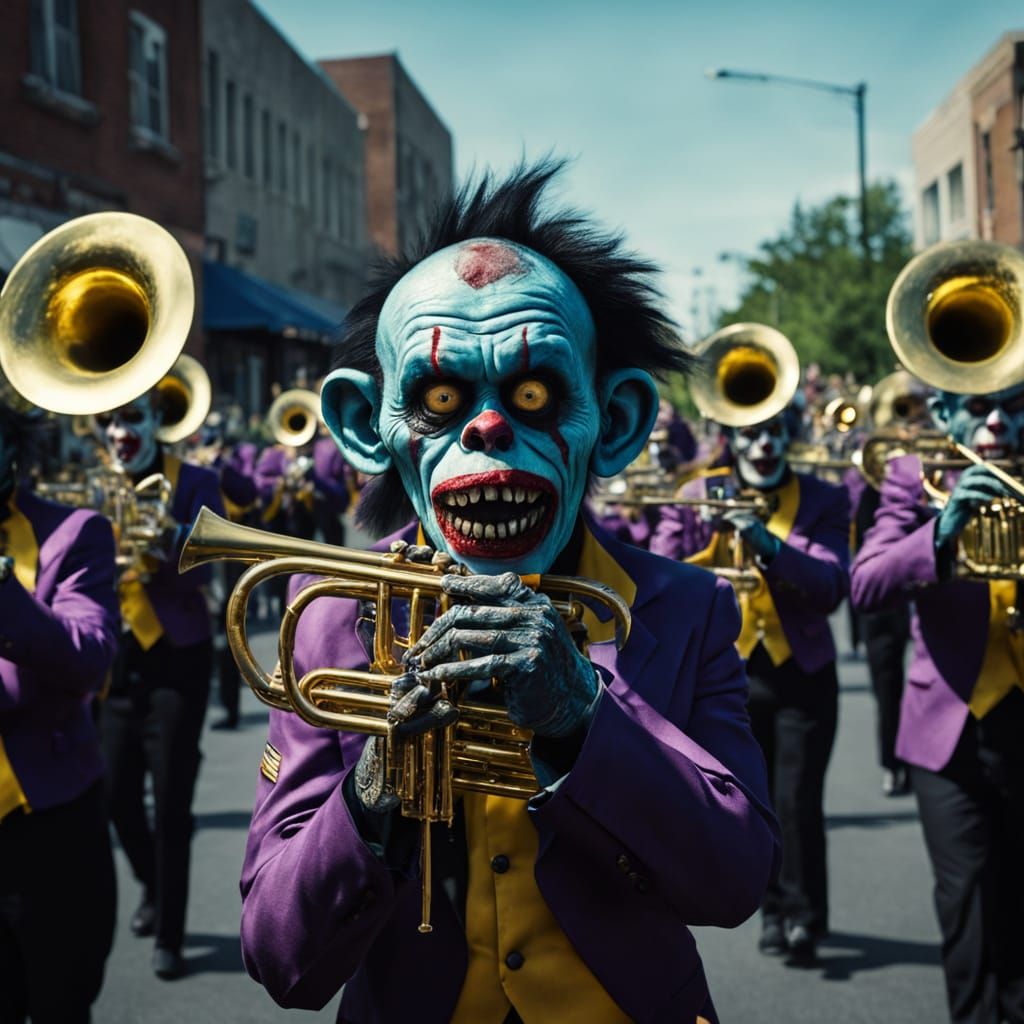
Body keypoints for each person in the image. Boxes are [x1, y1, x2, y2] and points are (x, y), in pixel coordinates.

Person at [237, 162, 779, 1023]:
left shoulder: (688, 607)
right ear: (366, 429)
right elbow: (280, 958)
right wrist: (375, 786)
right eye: (439, 397)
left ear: (617, 422)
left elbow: (735, 879)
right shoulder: (329, 617)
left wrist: (581, 717)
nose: (488, 428)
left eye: (534, 393)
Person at [650, 402, 849, 967]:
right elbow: (658, 577)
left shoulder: (823, 497)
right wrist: (710, 548)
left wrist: (768, 544)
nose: (763, 445)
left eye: (774, 432)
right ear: (729, 438)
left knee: (798, 800)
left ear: (789, 436)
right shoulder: (697, 496)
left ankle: (804, 917)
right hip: (723, 679)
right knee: (748, 803)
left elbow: (832, 584)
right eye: (750, 433)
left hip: (802, 675)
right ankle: (772, 910)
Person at [851, 382, 1024, 1024]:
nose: (997, 422)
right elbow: (866, 582)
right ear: (946, 414)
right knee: (966, 902)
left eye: (1014, 406)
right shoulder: (911, 476)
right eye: (978, 407)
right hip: (947, 735)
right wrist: (942, 533)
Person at [96, 391, 224, 980]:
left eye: (132, 419)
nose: (120, 432)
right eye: (111, 421)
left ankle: (170, 934)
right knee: (114, 795)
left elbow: (211, 559)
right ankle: (152, 881)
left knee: (172, 800)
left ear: (156, 423)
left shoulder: (194, 480)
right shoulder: (96, 485)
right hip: (117, 662)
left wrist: (165, 533)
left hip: (177, 659)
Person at [0, 404, 121, 1022]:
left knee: (60, 1001)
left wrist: (4, 589)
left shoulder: (74, 532)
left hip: (46, 826)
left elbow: (89, 658)